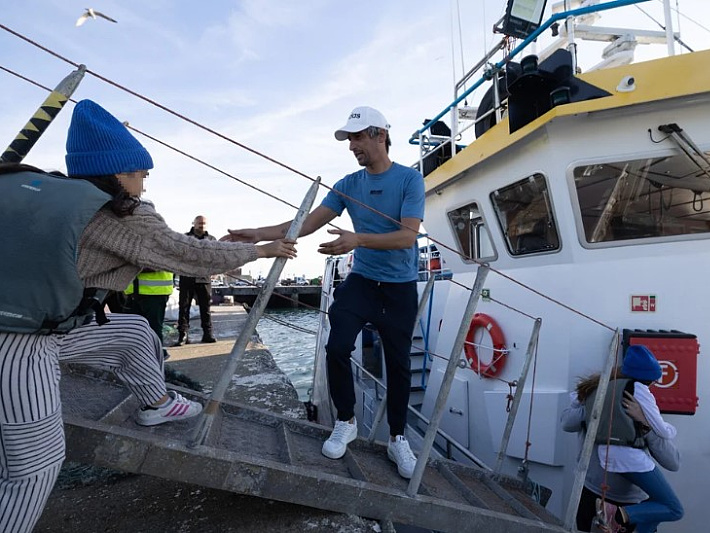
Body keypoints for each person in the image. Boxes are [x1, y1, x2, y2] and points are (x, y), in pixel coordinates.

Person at [0, 99, 297, 533]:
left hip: (43, 329)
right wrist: (262, 250)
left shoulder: (45, 193)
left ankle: (156, 404)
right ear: (120, 172)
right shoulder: (122, 213)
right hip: (18, 345)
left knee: (136, 331)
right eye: (141, 173)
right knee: (34, 468)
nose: (143, 183)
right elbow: (187, 252)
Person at [225, 106, 425, 479]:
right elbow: (303, 225)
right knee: (336, 347)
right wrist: (254, 234)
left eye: (357, 137)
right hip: (363, 282)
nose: (351, 146)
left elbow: (408, 236)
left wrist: (356, 239)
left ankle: (398, 439)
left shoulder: (409, 180)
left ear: (380, 135)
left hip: (399, 288)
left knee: (398, 366)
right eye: (349, 139)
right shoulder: (348, 184)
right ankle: (346, 420)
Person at [567, 346, 684, 533]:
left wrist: (645, 424)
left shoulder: (637, 405)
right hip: (601, 495)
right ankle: (617, 514)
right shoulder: (600, 394)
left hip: (608, 495)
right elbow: (568, 422)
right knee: (673, 508)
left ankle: (617, 514)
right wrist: (598, 408)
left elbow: (672, 461)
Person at [176, 215, 217, 345]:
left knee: (206, 308)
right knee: (184, 307)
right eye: (199, 223)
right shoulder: (184, 238)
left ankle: (208, 334)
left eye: (204, 223)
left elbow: (217, 257)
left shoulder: (212, 240)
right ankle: (183, 336)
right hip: (187, 277)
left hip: (204, 278)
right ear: (193, 223)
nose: (201, 225)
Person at [124, 269, 174, 344]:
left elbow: (156, 264)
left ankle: (158, 353)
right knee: (133, 330)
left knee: (153, 329)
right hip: (135, 292)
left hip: (155, 292)